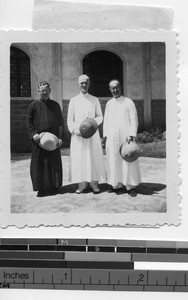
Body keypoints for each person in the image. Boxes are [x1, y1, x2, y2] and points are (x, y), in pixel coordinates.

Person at [67, 74, 105, 194]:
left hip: (92, 135)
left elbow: (100, 116)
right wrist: (75, 130)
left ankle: (94, 184)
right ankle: (82, 184)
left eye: (86, 83)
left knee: (93, 157)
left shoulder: (94, 100)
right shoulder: (73, 100)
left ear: (89, 84)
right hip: (78, 136)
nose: (84, 85)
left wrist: (92, 124)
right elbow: (70, 119)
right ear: (78, 84)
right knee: (80, 158)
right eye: (82, 83)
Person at [103, 79, 141, 197]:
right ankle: (116, 185)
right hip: (112, 137)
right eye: (112, 88)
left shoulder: (128, 102)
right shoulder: (109, 103)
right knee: (113, 159)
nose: (115, 90)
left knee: (128, 159)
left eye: (117, 87)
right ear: (110, 90)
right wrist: (105, 136)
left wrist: (131, 134)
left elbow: (134, 119)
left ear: (121, 87)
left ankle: (130, 186)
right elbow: (106, 121)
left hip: (126, 137)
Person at [27, 81, 64, 197]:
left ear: (50, 91)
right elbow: (28, 122)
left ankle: (54, 186)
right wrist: (34, 134)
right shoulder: (33, 105)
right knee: (40, 164)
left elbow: (61, 123)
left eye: (47, 90)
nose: (45, 92)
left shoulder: (55, 105)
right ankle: (41, 188)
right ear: (38, 91)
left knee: (53, 163)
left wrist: (60, 138)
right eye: (42, 90)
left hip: (53, 141)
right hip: (39, 141)